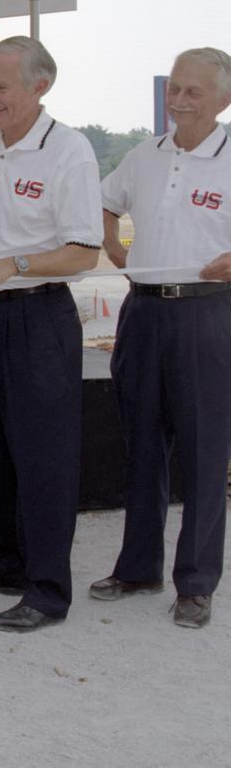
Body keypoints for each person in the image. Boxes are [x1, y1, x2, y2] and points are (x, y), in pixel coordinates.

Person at [0, 36, 103, 633]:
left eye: (1, 87)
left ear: (41, 86)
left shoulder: (70, 151)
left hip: (38, 316)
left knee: (44, 459)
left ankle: (47, 589)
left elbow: (84, 251)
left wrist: (19, 265)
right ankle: (1, 564)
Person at [91, 47, 231, 629]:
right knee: (142, 446)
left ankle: (195, 583)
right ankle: (138, 568)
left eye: (193, 91)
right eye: (174, 88)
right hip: (143, 313)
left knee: (203, 454)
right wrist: (118, 251)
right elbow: (100, 202)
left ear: (222, 99)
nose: (178, 100)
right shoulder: (145, 155)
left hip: (207, 317)